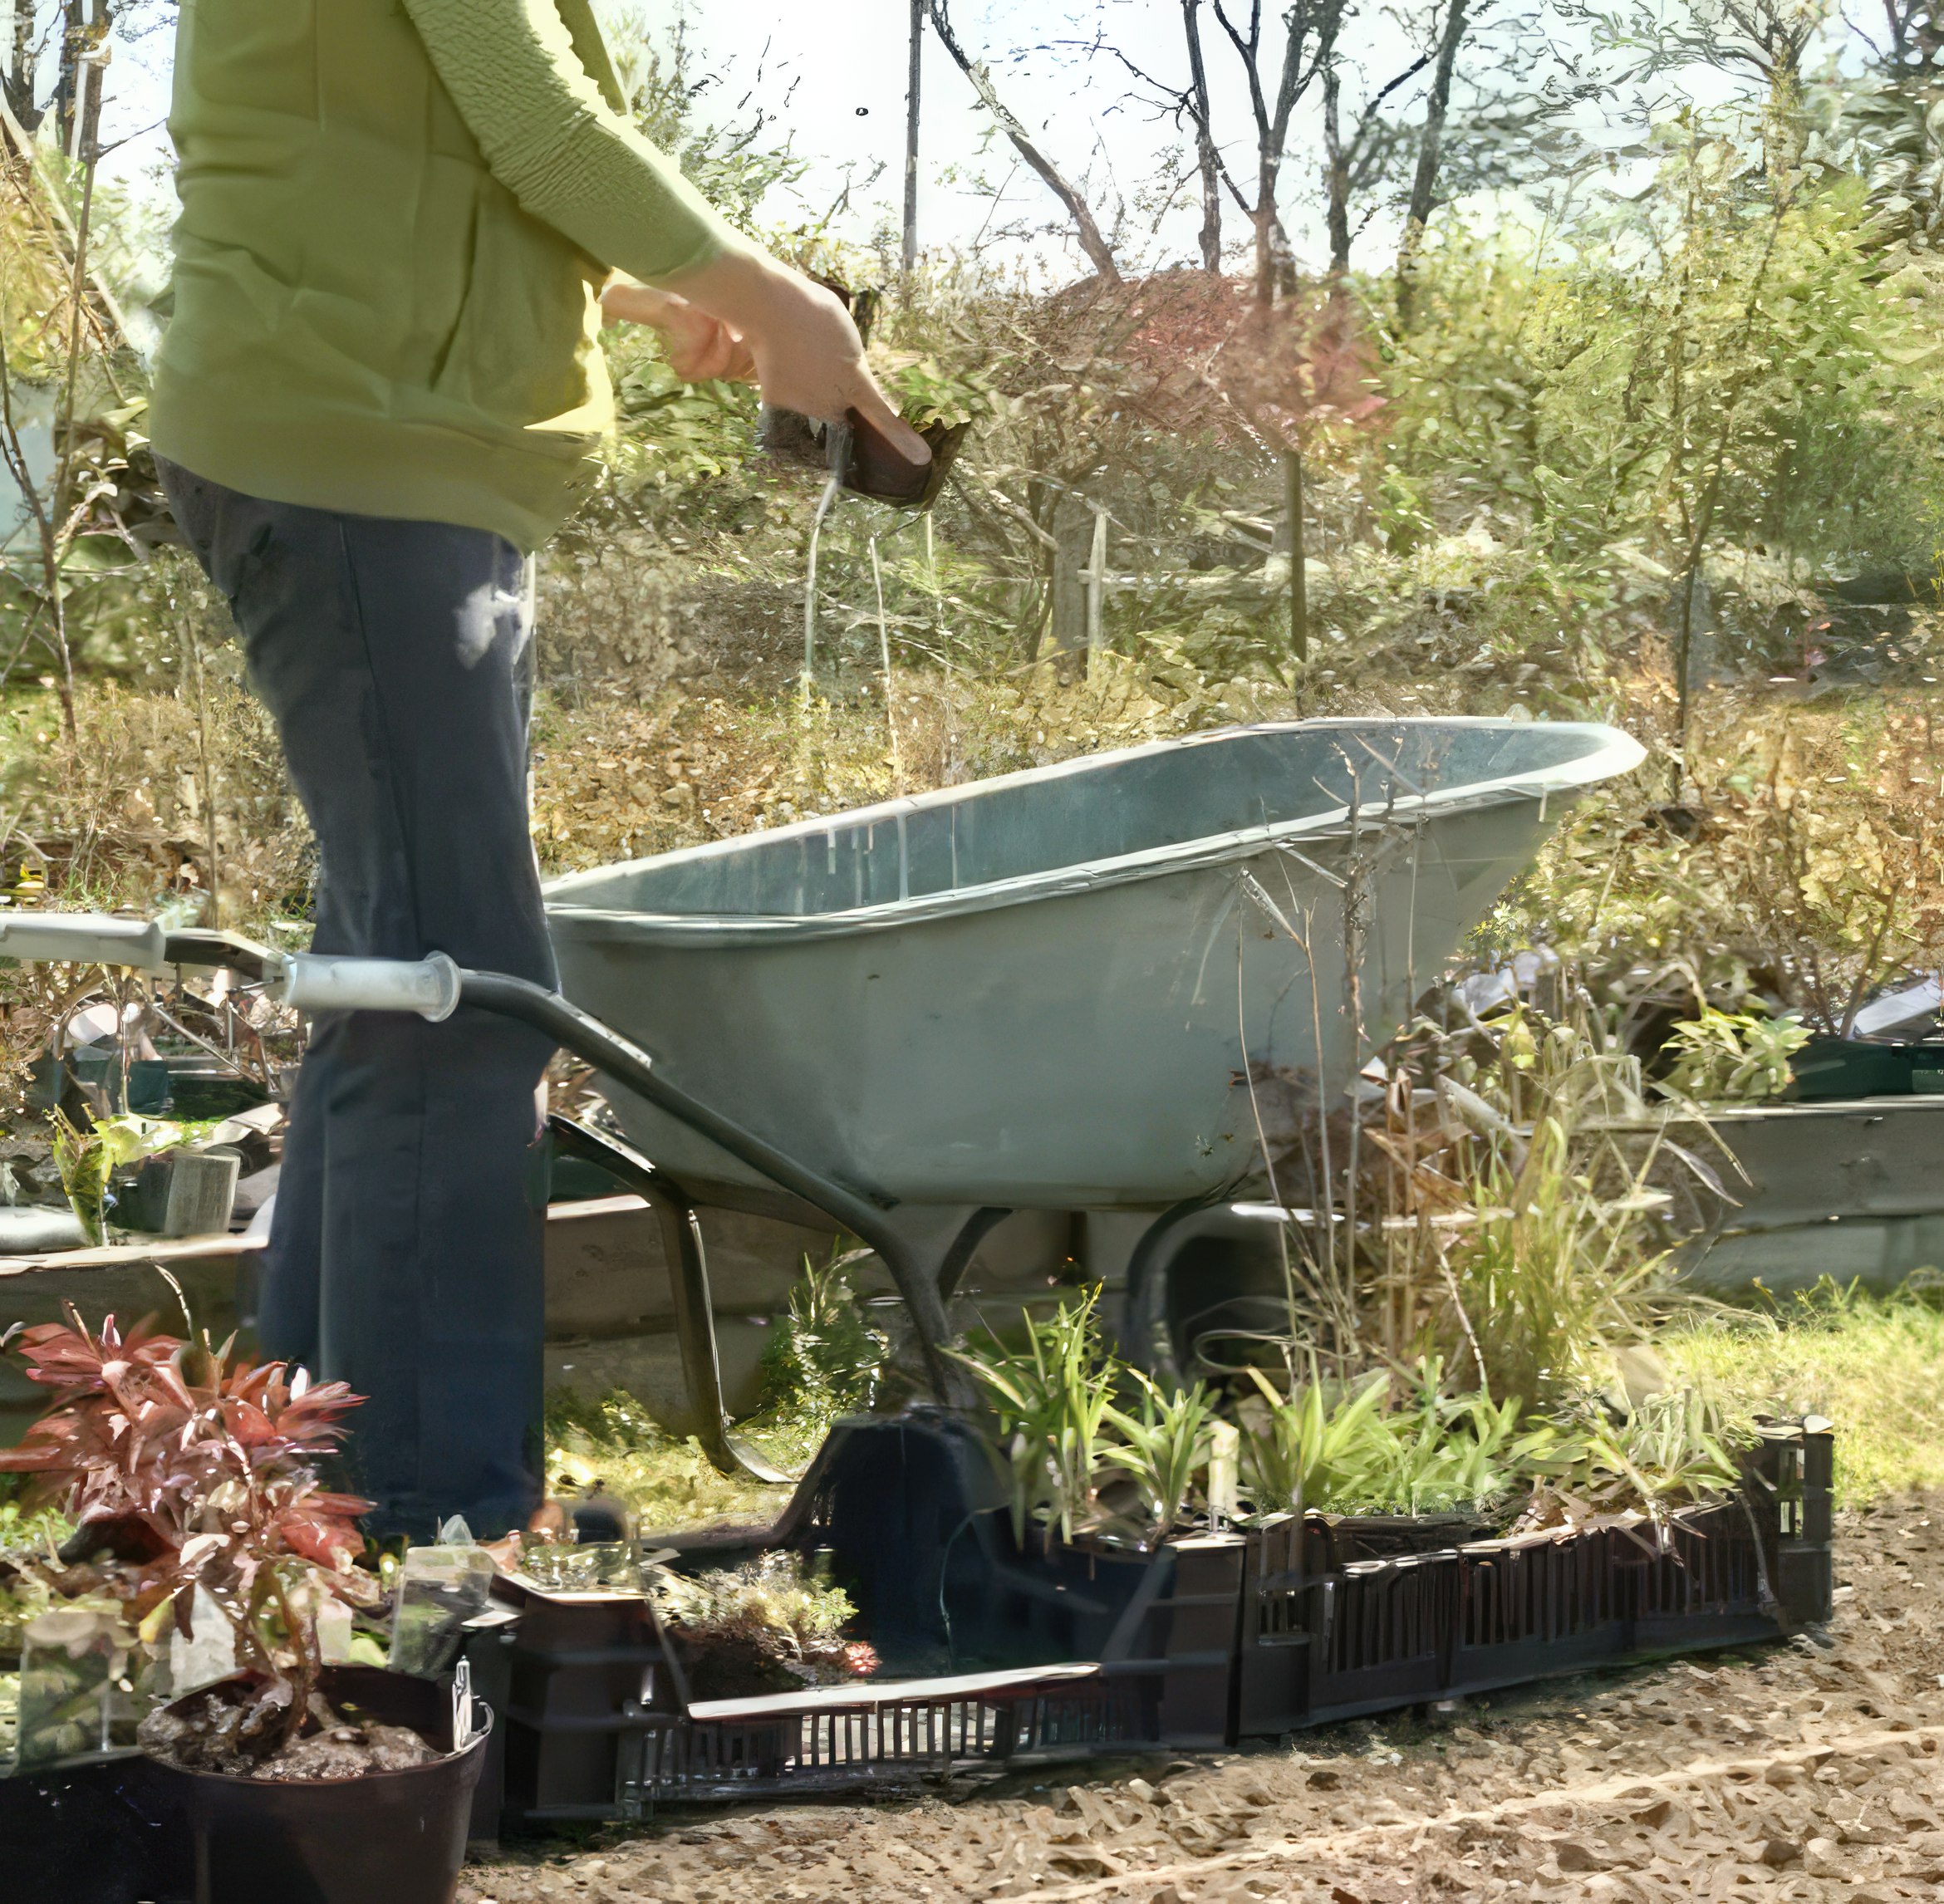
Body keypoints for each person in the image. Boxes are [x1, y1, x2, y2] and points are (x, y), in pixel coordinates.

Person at [149, 0, 924, 1540]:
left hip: (389, 446)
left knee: (398, 977)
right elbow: (538, 118)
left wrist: (642, 289)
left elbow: (418, 153)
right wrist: (772, 301)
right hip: (356, 445)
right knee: (458, 985)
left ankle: (296, 1490)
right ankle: (432, 1521)